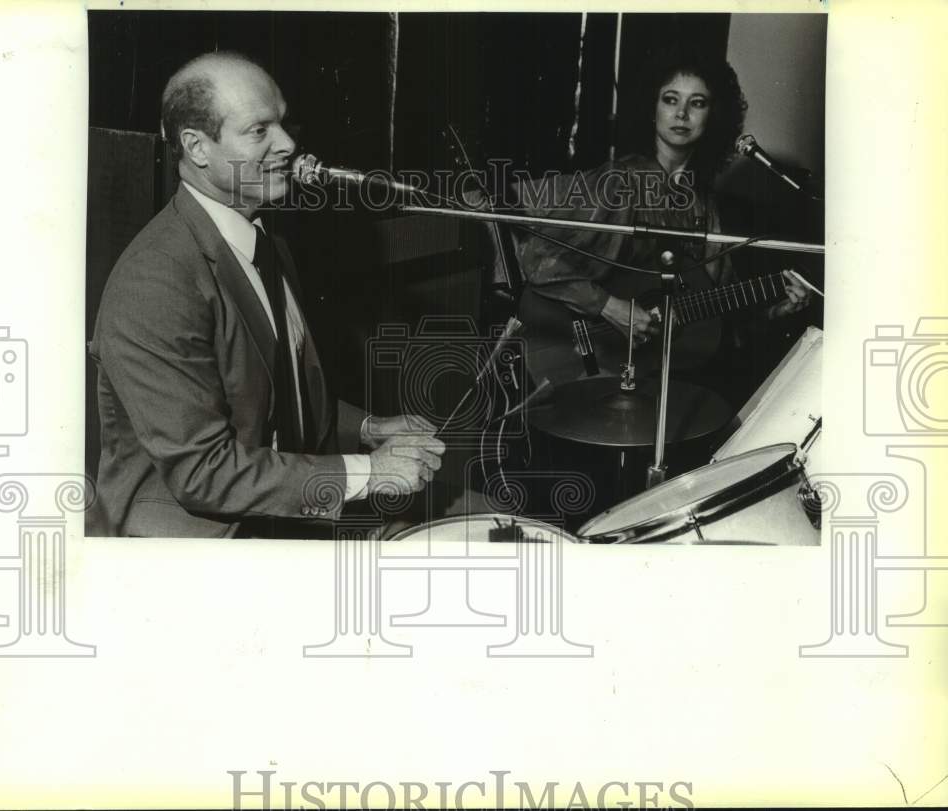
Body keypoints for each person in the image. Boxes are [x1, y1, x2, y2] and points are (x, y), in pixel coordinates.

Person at [88, 51, 445, 538]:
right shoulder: (155, 282)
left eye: (282, 122)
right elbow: (204, 473)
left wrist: (366, 429)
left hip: (268, 512)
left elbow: (272, 393)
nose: (289, 144)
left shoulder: (266, 240)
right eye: (259, 131)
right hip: (192, 547)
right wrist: (370, 472)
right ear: (197, 147)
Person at [512, 48, 812, 390]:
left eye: (697, 103)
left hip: (660, 376)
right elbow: (536, 257)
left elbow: (716, 318)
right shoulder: (619, 183)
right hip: (589, 361)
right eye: (671, 99)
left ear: (713, 116)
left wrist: (774, 312)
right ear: (651, 109)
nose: (682, 113)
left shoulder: (704, 205)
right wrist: (610, 307)